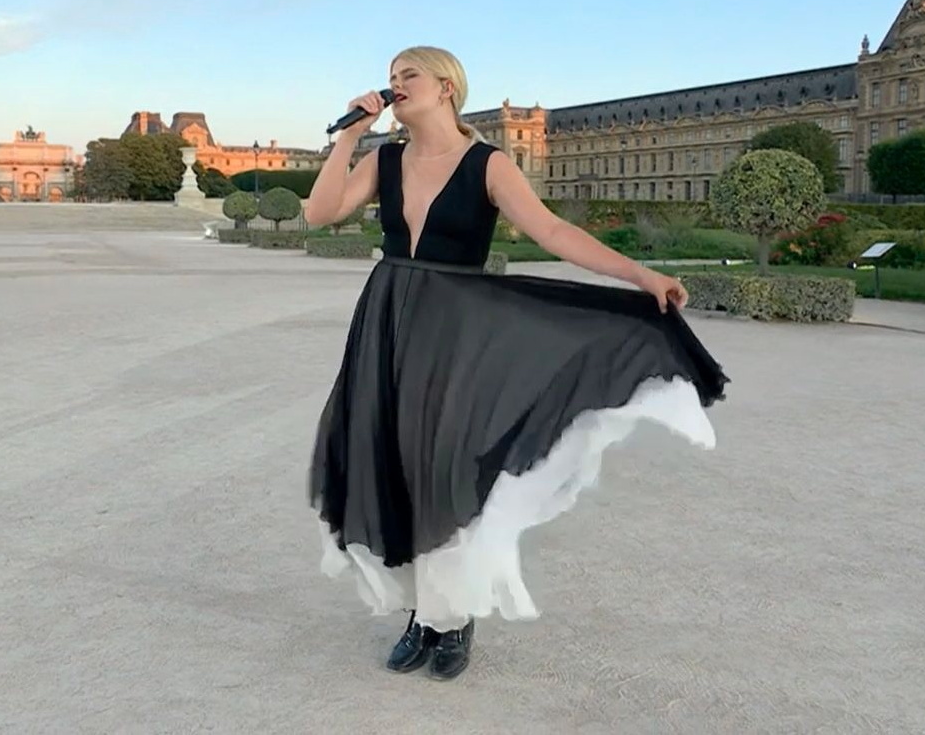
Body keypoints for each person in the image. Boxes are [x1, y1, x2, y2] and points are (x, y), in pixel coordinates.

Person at [303, 46, 728, 682]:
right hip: (387, 321)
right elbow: (318, 213)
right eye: (390, 79)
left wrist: (640, 274)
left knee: (442, 464)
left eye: (407, 76)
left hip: (456, 328)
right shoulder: (382, 158)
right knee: (393, 459)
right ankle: (423, 613)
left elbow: (553, 232)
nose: (393, 87)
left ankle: (452, 617)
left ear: (446, 87)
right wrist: (350, 137)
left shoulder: (488, 163)